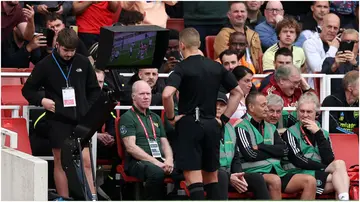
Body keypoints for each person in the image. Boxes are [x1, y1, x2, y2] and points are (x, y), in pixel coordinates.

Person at [162, 28, 243, 200]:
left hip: (190, 123)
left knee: (193, 178)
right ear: (199, 44)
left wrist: (171, 118)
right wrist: (224, 119)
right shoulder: (216, 66)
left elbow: (166, 94)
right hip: (212, 124)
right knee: (211, 177)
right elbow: (238, 92)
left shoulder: (182, 67)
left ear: (182, 45)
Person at [21, 28, 100, 200]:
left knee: (85, 160)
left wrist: (88, 108)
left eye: (72, 51)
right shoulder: (45, 64)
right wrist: (42, 101)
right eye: (66, 50)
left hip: (80, 119)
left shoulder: (83, 63)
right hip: (58, 119)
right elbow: (28, 90)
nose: (69, 54)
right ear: (57, 45)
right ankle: (64, 198)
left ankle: (92, 196)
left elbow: (94, 90)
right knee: (60, 161)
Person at [235, 92, 317, 200]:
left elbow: (284, 150)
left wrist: (260, 147)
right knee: (274, 180)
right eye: (263, 105)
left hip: (278, 171)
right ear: (251, 107)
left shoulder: (270, 127)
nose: (266, 109)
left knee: (310, 181)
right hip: (254, 173)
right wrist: (273, 152)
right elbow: (250, 155)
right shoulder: (241, 127)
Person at [282, 92, 350, 200]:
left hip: (318, 172)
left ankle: (344, 198)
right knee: (342, 180)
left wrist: (318, 134)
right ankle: (344, 197)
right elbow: (298, 160)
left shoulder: (322, 133)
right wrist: (323, 169)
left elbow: (329, 159)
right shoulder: (290, 132)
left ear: (316, 113)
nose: (305, 115)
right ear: (297, 112)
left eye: (309, 112)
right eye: (302, 111)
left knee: (340, 165)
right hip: (298, 172)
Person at [119, 80, 180, 200]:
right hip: (137, 162)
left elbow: (164, 142)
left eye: (148, 94)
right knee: (156, 173)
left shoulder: (155, 117)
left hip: (159, 160)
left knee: (184, 170)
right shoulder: (127, 117)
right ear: (133, 96)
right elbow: (131, 148)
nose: (146, 97)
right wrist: (157, 163)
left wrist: (169, 160)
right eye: (142, 94)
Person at [216, 92, 271, 200]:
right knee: (222, 176)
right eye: (215, 104)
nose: (218, 108)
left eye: (222, 105)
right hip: (210, 175)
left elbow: (235, 158)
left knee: (257, 178)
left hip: (228, 175)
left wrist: (237, 175)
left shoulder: (230, 128)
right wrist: (229, 177)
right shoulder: (202, 127)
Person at [214, 1, 262, 72]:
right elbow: (226, 62)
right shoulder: (223, 35)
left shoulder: (254, 34)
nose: (239, 14)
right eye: (236, 11)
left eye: (242, 11)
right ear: (229, 15)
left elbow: (260, 59)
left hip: (256, 75)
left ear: (247, 14)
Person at [302, 13, 340, 87]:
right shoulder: (310, 43)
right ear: (321, 25)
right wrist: (333, 48)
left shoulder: (340, 43)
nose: (332, 30)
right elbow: (318, 69)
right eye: (329, 27)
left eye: (335, 28)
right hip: (317, 88)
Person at [321, 29, 359, 93]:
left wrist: (355, 64)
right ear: (340, 43)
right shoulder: (329, 60)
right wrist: (335, 66)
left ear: (358, 43)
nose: (349, 45)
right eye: (346, 42)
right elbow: (321, 79)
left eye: (353, 42)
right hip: (335, 99)